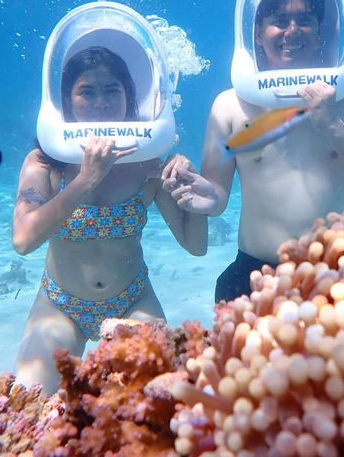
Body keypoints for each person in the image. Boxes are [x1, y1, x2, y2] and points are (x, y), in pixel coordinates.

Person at [164, 0, 344, 303]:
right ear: (258, 34)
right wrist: (204, 196)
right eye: (278, 21)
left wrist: (333, 126)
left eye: (305, 20)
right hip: (252, 273)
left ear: (320, 32)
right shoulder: (229, 105)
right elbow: (216, 198)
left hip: (332, 272)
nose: (292, 30)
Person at [12, 46, 207, 395]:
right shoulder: (44, 163)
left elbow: (197, 247)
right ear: (65, 101)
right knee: (29, 397)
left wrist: (188, 189)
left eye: (111, 91)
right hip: (60, 305)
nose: (100, 102)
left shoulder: (148, 164)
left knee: (161, 396)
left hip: (133, 301)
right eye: (86, 91)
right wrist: (87, 179)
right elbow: (23, 240)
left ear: (128, 99)